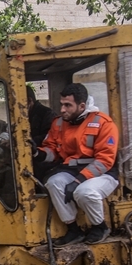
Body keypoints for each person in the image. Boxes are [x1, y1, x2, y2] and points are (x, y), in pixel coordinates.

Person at [34, 82, 119, 245]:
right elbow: (53, 151)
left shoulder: (103, 124)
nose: (62, 110)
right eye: (62, 105)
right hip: (72, 170)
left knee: (84, 192)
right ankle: (73, 230)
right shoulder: (59, 123)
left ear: (81, 106)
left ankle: (100, 227)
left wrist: (78, 181)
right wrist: (37, 152)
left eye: (68, 105)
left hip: (103, 173)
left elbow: (104, 161)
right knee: (54, 183)